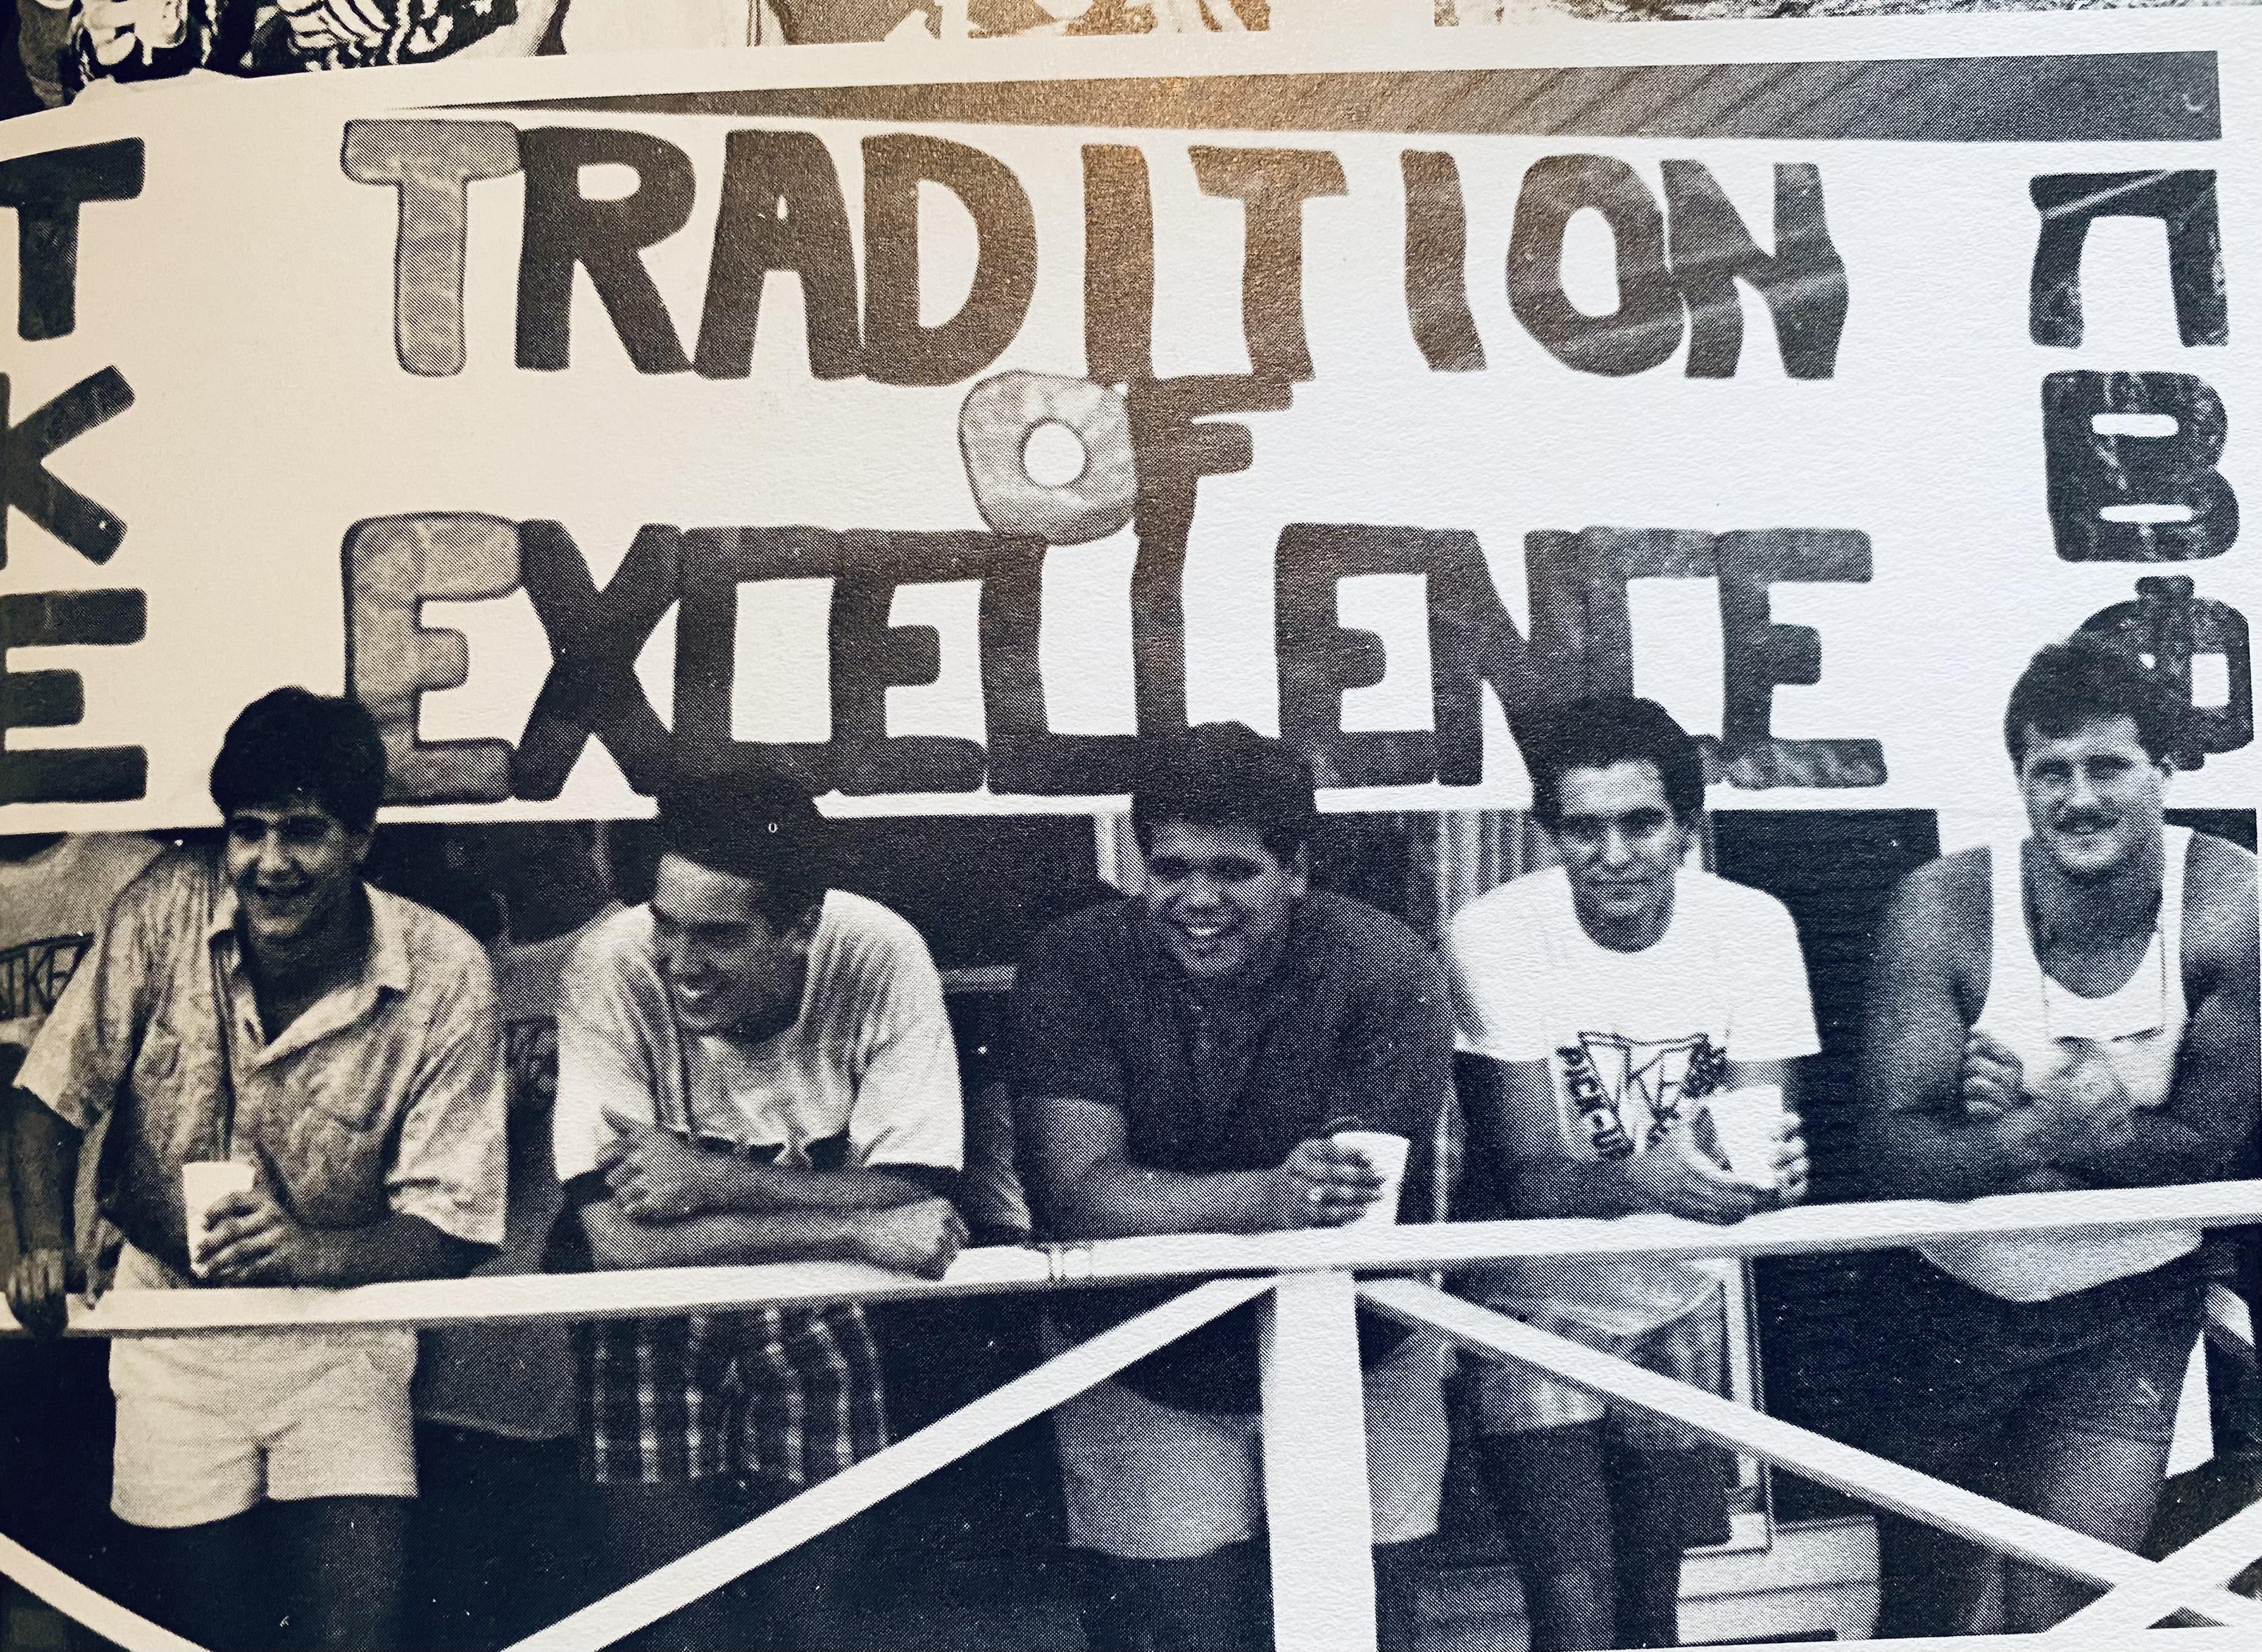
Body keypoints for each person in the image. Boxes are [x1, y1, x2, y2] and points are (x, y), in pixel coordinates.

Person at [2, 688, 509, 1652]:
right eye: (248, 831)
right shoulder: (162, 906)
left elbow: (454, 1226)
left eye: (304, 832)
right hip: (171, 1313)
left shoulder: (445, 970)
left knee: (354, 1632)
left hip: (343, 1325)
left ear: (361, 838)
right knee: (197, 1629)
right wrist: (41, 1245)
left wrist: (313, 1252)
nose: (270, 863)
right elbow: (47, 1099)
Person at [1012, 721, 1453, 1652]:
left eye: (1233, 870)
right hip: (1140, 1351)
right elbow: (1076, 1194)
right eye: (1171, 869)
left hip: (1356, 1346)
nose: (1198, 899)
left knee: (1363, 1631)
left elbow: (1345, 1203)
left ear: (1296, 869)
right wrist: (1262, 1196)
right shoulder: (1077, 960)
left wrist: (1245, 1200)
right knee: (1182, 1635)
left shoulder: (1382, 961)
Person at [1859, 634, 2258, 1635]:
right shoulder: (1943, 904)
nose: (2078, 799)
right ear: (2019, 781)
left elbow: (2210, 1150)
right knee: (1933, 1612)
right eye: (2050, 771)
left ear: (2166, 768)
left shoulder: (2232, 903)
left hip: (2128, 1301)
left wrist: (2030, 1126)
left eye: (2107, 766)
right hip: (1950, 1300)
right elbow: (1892, 1153)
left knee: (2077, 1607)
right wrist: (2057, 1129)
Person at [551, 768, 968, 1652]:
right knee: (672, 1617)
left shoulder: (878, 949)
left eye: (719, 937)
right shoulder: (612, 959)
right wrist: (855, 1228)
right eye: (667, 925)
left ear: (801, 927)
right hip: (666, 1300)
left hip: (818, 1295)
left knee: (813, 1619)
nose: (680, 962)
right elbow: (616, 1242)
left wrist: (709, 1183)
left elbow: (915, 1188)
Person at [1447, 694, 1815, 1652]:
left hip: (1679, 1294)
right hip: (1531, 1301)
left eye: (1641, 823)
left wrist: (1766, 1174)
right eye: (1584, 828)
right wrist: (1648, 1180)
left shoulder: (1751, 926)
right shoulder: (1496, 931)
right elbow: (1526, 1176)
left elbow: (1753, 1127)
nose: (1612, 854)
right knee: (1572, 1607)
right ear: (1547, 832)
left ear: (1686, 826)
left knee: (1653, 1607)